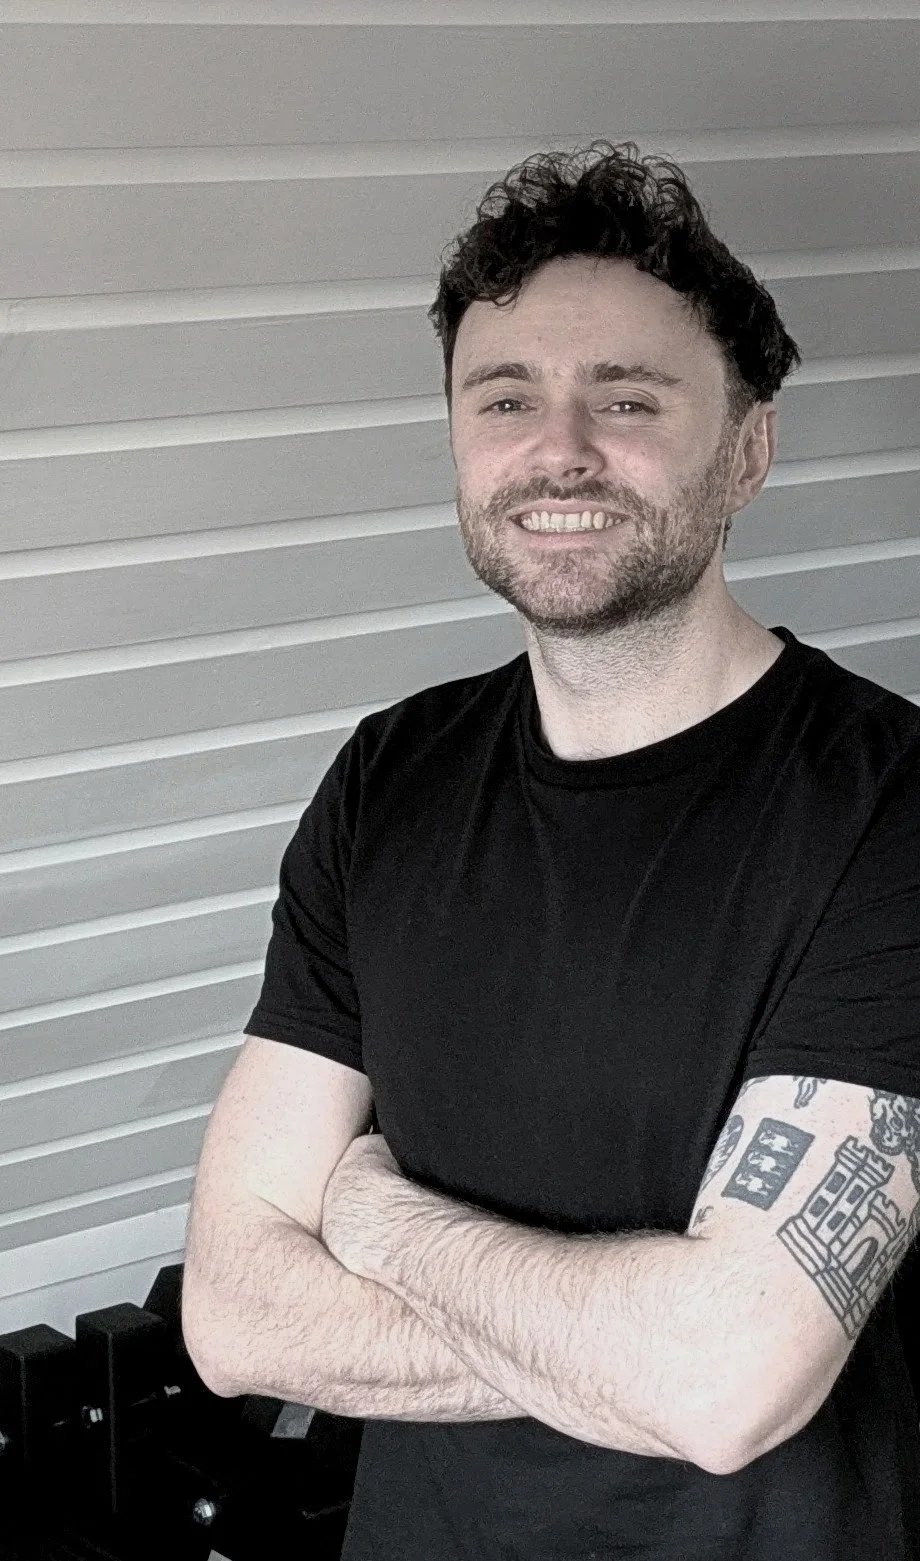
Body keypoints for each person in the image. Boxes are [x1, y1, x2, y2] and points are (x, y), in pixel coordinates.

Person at [191, 141, 920, 1558]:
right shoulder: (388, 781)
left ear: (750, 448)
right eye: (506, 398)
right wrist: (636, 1343)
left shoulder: (887, 813)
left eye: (629, 399)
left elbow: (724, 1387)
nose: (561, 449)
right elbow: (230, 1316)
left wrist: (366, 1210)